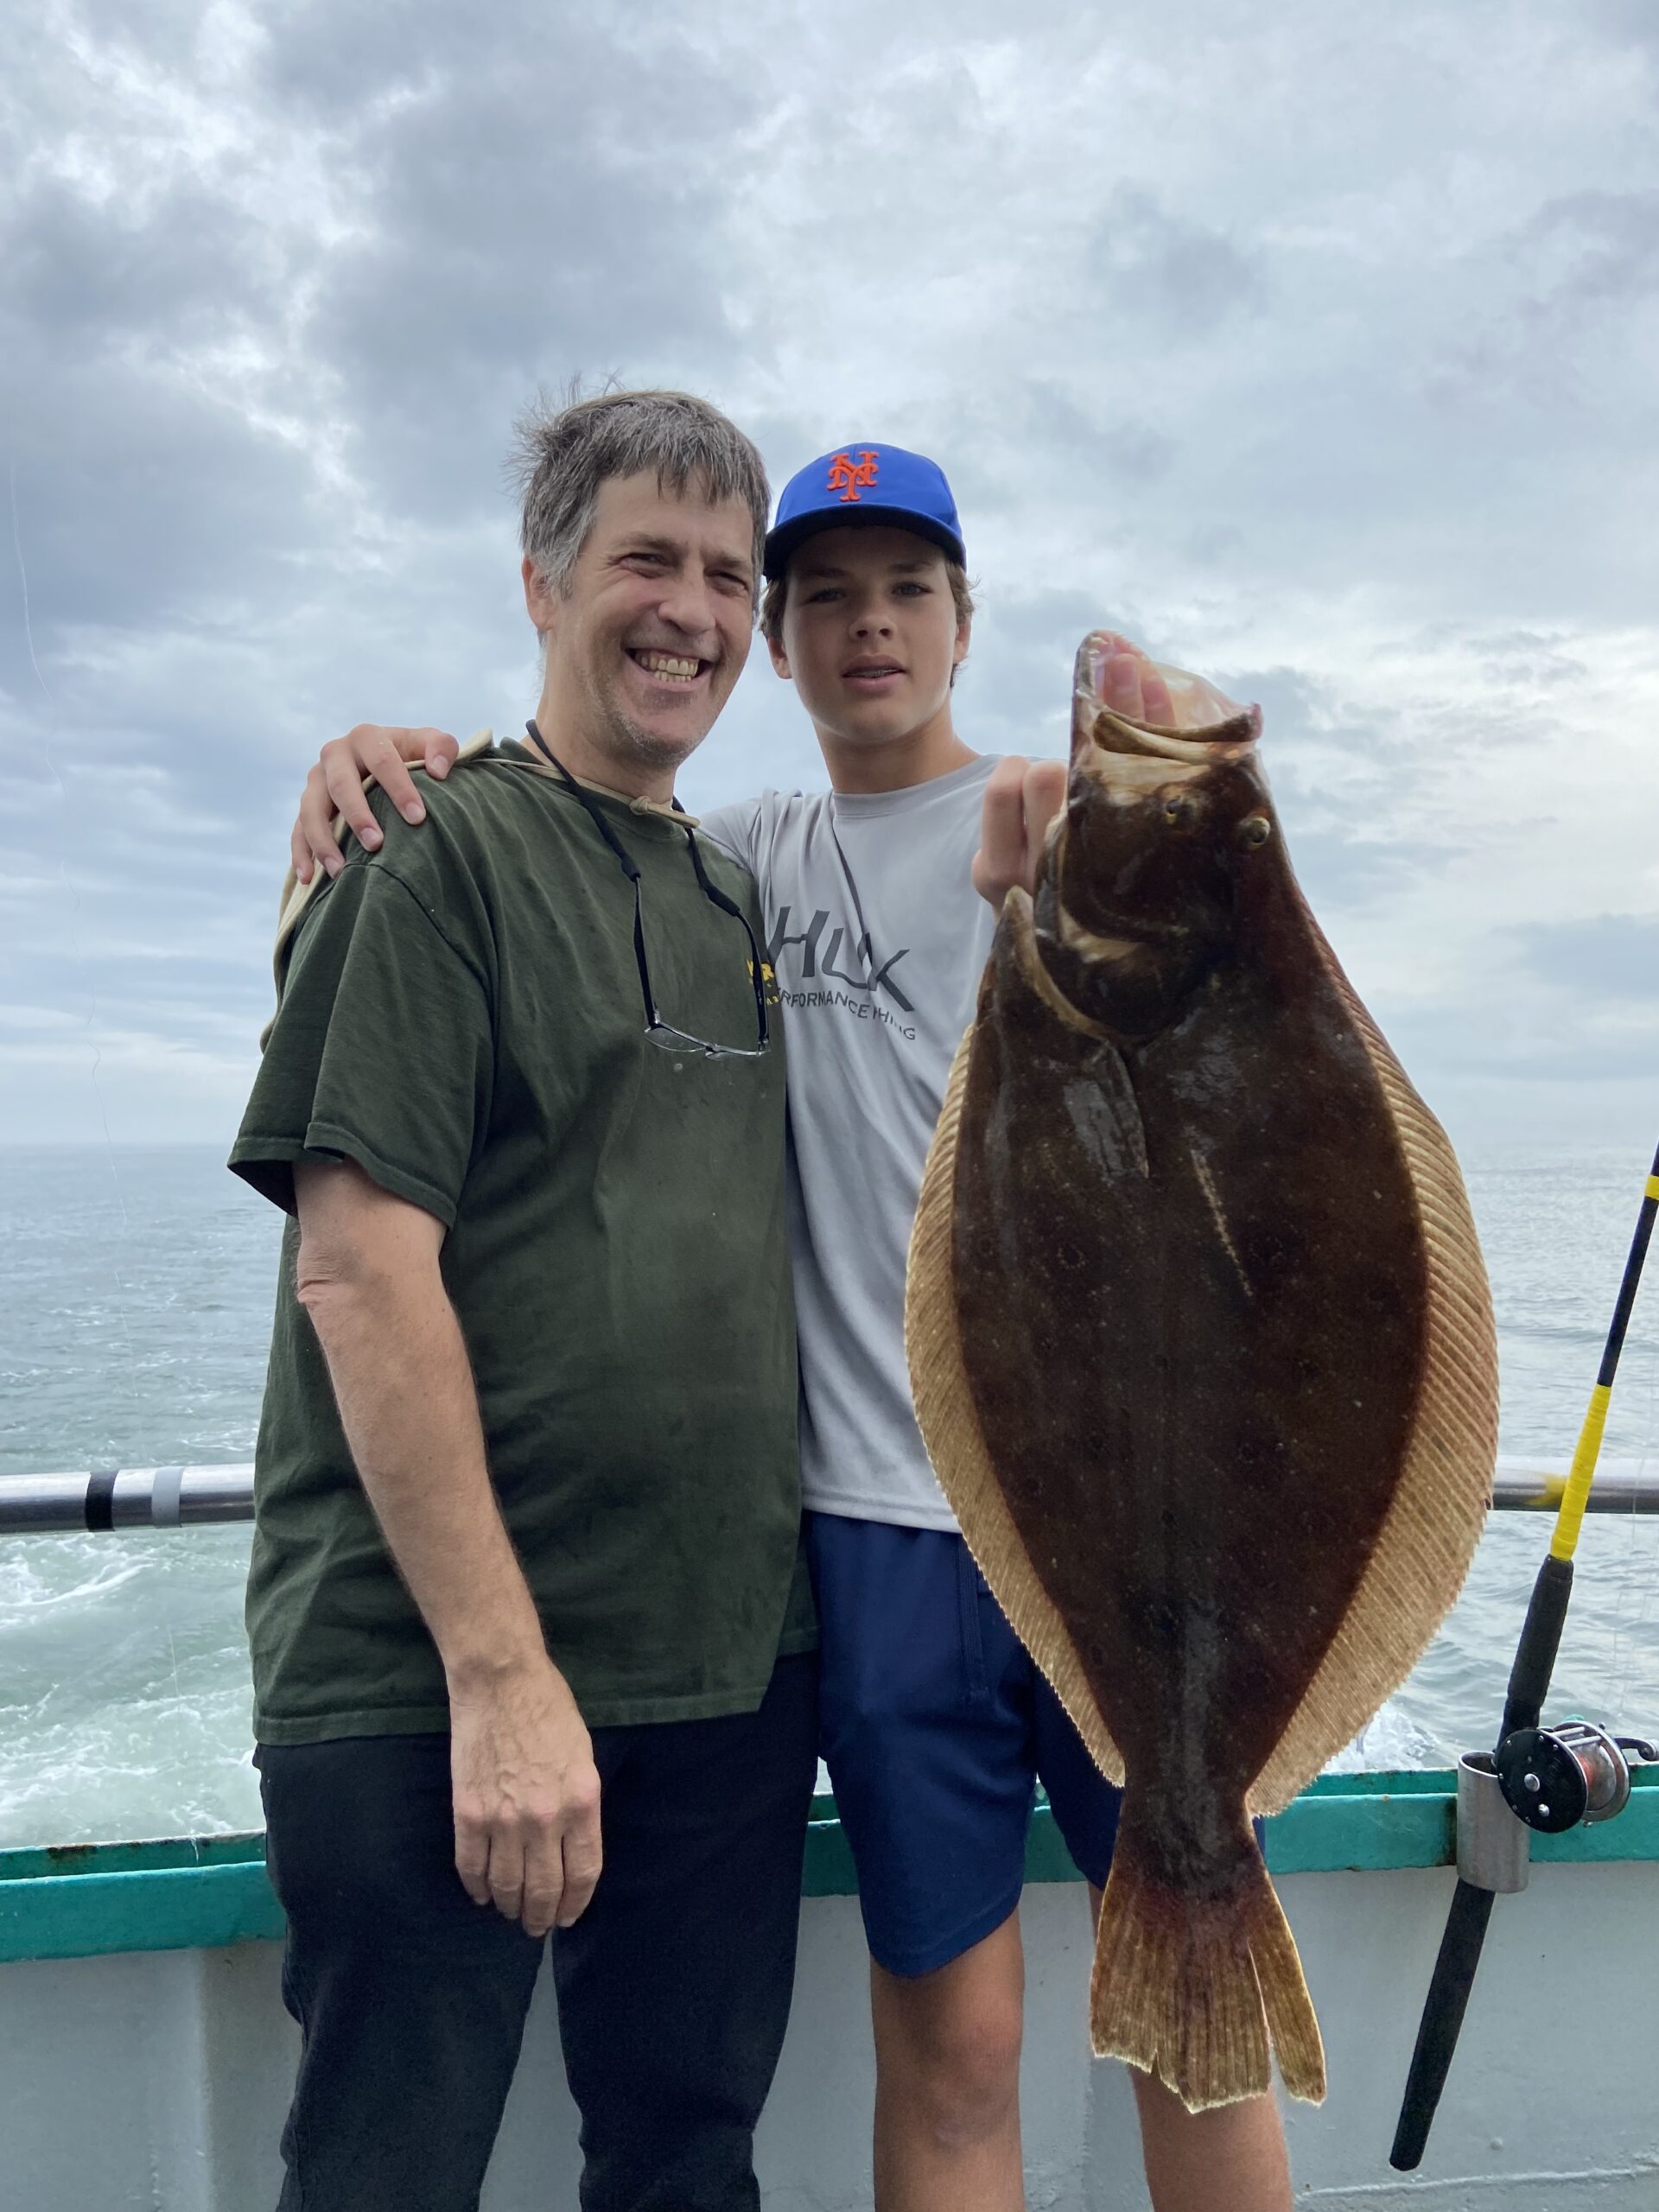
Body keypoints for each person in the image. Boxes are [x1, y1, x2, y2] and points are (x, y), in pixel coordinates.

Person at [289, 442, 1294, 2211]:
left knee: (1195, 2012)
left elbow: (1251, 1123)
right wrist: (369, 761)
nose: (867, 626)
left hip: (1129, 1528)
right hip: (878, 1541)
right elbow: (577, 823)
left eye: (907, 591)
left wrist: (1147, 859)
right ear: (777, 641)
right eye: (822, 594)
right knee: (957, 2047)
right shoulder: (740, 863)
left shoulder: (1066, 840)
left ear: (967, 622)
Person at [230, 388, 820, 2212]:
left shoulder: (736, 895)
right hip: (429, 1682)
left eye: (728, 575)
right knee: (389, 2175)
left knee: (687, 2162)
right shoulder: (427, 851)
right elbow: (357, 1266)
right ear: (544, 581)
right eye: (648, 558)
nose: (692, 611)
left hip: (719, 1672)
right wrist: (500, 1680)